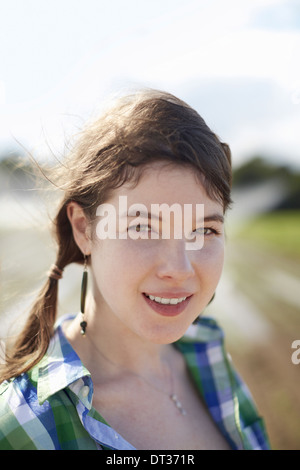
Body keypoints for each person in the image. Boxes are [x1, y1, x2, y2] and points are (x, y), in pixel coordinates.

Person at [0, 89, 270, 450]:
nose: (179, 268)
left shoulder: (210, 355)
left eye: (204, 230)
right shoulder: (24, 424)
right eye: (142, 227)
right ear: (83, 229)